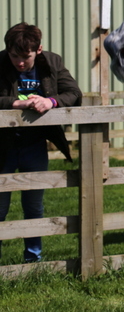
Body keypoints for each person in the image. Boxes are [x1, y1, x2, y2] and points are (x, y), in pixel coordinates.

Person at [0, 22, 82, 262]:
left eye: (26, 57)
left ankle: (33, 260)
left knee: (34, 205)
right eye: (14, 56)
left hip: (34, 146)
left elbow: (74, 93)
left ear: (39, 50)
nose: (20, 62)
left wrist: (51, 102)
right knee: (0, 208)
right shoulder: (0, 62)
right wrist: (16, 103)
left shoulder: (53, 62)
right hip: (2, 146)